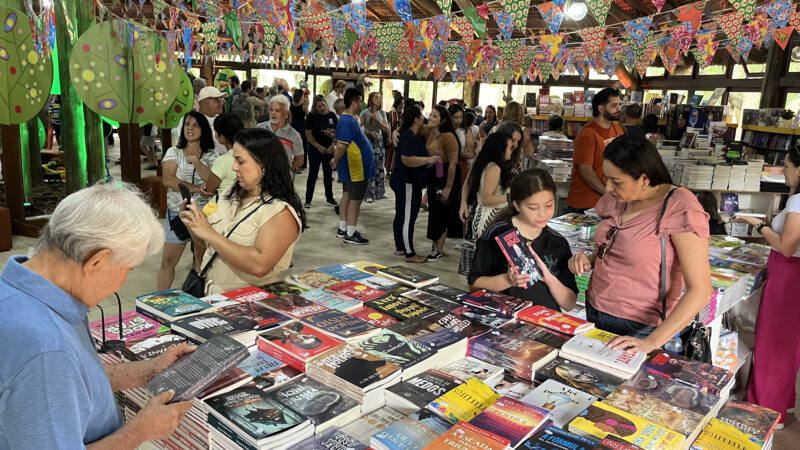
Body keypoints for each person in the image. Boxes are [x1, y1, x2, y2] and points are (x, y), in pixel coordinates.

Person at [0, 183, 196, 448]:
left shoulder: (27, 289)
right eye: (129, 269)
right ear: (97, 262)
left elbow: (76, 382)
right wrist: (139, 431)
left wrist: (148, 370)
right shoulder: (47, 350)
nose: (125, 281)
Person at [567, 134, 712, 353]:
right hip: (595, 308)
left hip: (642, 327)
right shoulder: (618, 199)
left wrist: (652, 342)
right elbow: (610, 244)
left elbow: (700, 290)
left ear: (645, 179)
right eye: (606, 178)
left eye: (616, 182)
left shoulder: (680, 208)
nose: (607, 188)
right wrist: (587, 260)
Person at [180, 128, 306, 294]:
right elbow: (207, 245)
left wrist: (209, 233)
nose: (234, 168)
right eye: (234, 160)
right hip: (211, 296)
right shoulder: (229, 196)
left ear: (264, 164)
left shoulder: (279, 212)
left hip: (248, 304)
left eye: (240, 161)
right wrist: (194, 224)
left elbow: (259, 265)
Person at [733, 146, 800, 425]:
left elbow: (787, 246)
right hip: (792, 276)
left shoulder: (798, 202)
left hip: (788, 275)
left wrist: (761, 227)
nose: (782, 171)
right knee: (787, 343)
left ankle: (767, 411)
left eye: (786, 166)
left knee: (772, 344)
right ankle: (782, 402)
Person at [469, 169, 579, 311]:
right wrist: (507, 280)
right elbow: (474, 286)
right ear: (516, 205)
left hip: (546, 322)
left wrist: (550, 279)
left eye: (549, 205)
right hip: (506, 321)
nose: (543, 214)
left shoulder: (558, 242)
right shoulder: (496, 234)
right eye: (533, 208)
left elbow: (569, 304)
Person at [157, 111, 220, 290]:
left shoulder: (211, 155)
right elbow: (168, 180)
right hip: (178, 212)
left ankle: (198, 295)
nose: (189, 129)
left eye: (195, 125)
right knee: (168, 261)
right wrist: (195, 188)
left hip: (203, 214)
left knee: (200, 259)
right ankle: (160, 299)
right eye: (187, 124)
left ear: (203, 130)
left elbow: (211, 182)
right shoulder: (173, 152)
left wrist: (196, 161)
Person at [391, 106, 441, 263]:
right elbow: (407, 159)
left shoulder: (410, 135)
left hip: (407, 181)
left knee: (401, 214)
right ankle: (409, 253)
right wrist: (429, 159)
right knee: (407, 217)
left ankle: (401, 247)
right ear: (415, 119)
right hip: (407, 182)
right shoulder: (409, 137)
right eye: (422, 116)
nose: (424, 119)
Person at [565, 87, 625, 214]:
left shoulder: (618, 129)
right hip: (585, 203)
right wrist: (608, 193)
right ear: (601, 109)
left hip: (610, 201)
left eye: (619, 104)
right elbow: (585, 171)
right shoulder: (587, 134)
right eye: (614, 105)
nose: (619, 109)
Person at [332, 87, 375, 245]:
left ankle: (344, 228)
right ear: (356, 101)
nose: (361, 104)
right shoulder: (347, 121)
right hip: (355, 168)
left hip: (353, 166)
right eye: (360, 101)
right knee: (355, 200)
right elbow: (342, 147)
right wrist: (336, 160)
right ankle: (350, 232)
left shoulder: (349, 119)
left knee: (348, 196)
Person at [424, 105, 462, 260]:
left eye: (434, 116)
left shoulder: (449, 136)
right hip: (434, 174)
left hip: (446, 175)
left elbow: (453, 164)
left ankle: (438, 249)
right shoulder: (429, 131)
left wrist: (448, 186)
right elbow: (410, 129)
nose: (430, 118)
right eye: (430, 115)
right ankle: (435, 247)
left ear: (442, 120)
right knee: (434, 212)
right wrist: (394, 132)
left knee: (443, 213)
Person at [304, 96, 339, 208]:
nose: (322, 108)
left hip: (328, 149)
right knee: (313, 174)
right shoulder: (311, 116)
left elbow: (337, 133)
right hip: (315, 149)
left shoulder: (332, 116)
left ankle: (330, 197)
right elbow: (308, 134)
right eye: (319, 106)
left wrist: (332, 146)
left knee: (328, 174)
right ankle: (308, 199)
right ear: (315, 107)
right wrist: (318, 146)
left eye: (323, 105)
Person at [257, 95, 304, 173]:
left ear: (286, 114)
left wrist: (287, 171)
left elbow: (300, 160)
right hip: (262, 179)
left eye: (277, 111)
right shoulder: (259, 128)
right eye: (271, 110)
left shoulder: (294, 135)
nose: (273, 113)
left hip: (283, 181)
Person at [179, 86, 228, 155]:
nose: (221, 103)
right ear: (205, 101)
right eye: (217, 100)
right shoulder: (190, 120)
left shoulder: (222, 119)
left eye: (221, 100)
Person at [361, 92, 390, 202]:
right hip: (368, 142)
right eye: (376, 97)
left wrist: (377, 119)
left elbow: (386, 129)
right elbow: (358, 128)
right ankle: (368, 193)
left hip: (379, 142)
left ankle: (380, 191)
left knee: (379, 166)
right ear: (370, 99)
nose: (379, 99)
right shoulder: (365, 112)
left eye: (380, 98)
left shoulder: (382, 112)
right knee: (369, 166)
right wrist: (369, 132)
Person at [208, 113, 245, 197]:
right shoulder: (251, 154)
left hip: (223, 206)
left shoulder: (223, 160)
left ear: (221, 137)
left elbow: (209, 190)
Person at [500, 101, 535, 169]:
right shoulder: (522, 130)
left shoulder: (495, 129)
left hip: (496, 166)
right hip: (514, 166)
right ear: (521, 114)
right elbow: (530, 153)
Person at [290, 88, 310, 172]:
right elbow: (308, 117)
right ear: (301, 96)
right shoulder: (304, 106)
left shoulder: (290, 105)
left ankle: (296, 162)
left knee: (295, 145)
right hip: (302, 126)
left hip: (294, 126)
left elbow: (290, 119)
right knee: (303, 146)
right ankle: (303, 164)